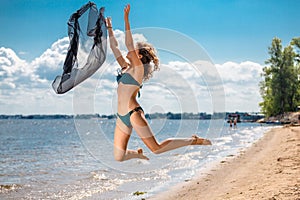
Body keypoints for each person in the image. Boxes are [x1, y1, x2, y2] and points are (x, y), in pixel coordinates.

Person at [107, 4, 211, 162]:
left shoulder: (138, 70)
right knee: (119, 157)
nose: (128, 50)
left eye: (134, 50)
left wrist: (126, 19)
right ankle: (138, 154)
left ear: (139, 57)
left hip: (133, 113)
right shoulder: (126, 68)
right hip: (121, 116)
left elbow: (128, 44)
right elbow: (114, 48)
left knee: (156, 148)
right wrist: (109, 28)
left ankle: (193, 140)